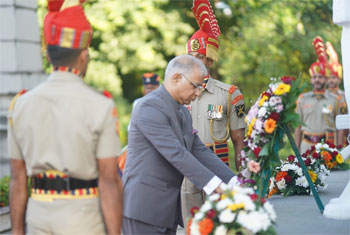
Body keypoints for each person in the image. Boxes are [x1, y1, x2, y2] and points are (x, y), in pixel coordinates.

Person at [7, 1, 123, 234]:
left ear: (49, 57)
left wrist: (18, 231)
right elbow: (109, 181)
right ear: (83, 55)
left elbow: (18, 179)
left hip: (38, 215)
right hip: (83, 217)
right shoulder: (100, 105)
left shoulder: (20, 104)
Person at [122, 55, 238, 234]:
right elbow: (175, 153)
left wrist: (234, 181)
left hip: (166, 210)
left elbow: (199, 150)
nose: (199, 92)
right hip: (144, 208)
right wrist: (216, 186)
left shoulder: (183, 113)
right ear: (176, 78)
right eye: (196, 86)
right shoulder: (149, 107)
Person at [181, 0, 246, 222]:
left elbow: (239, 141)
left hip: (218, 167)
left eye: (198, 57)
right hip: (188, 170)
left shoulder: (230, 94)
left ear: (210, 58)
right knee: (192, 224)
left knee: (220, 223)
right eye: (191, 57)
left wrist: (243, 175)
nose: (193, 62)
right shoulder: (179, 94)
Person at [294, 36, 345, 154]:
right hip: (306, 148)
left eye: (320, 77)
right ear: (311, 79)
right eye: (314, 77)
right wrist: (297, 153)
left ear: (326, 79)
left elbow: (340, 129)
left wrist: (339, 151)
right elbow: (297, 127)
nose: (317, 80)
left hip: (327, 149)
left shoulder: (336, 99)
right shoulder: (302, 99)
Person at [326, 41, 348, 145]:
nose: (331, 80)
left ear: (339, 80)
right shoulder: (322, 96)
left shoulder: (345, 96)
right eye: (329, 78)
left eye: (333, 77)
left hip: (342, 136)